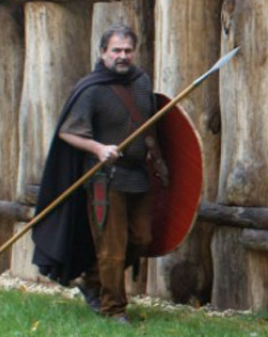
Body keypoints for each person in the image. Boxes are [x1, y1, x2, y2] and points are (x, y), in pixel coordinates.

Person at [32, 24, 163, 323]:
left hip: (137, 176)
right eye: (116, 50)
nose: (122, 56)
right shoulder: (91, 89)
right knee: (112, 248)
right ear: (103, 52)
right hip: (105, 179)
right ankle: (113, 308)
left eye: (128, 50)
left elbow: (150, 125)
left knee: (142, 239)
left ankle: (92, 281)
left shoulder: (142, 82)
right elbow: (68, 132)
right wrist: (98, 148)